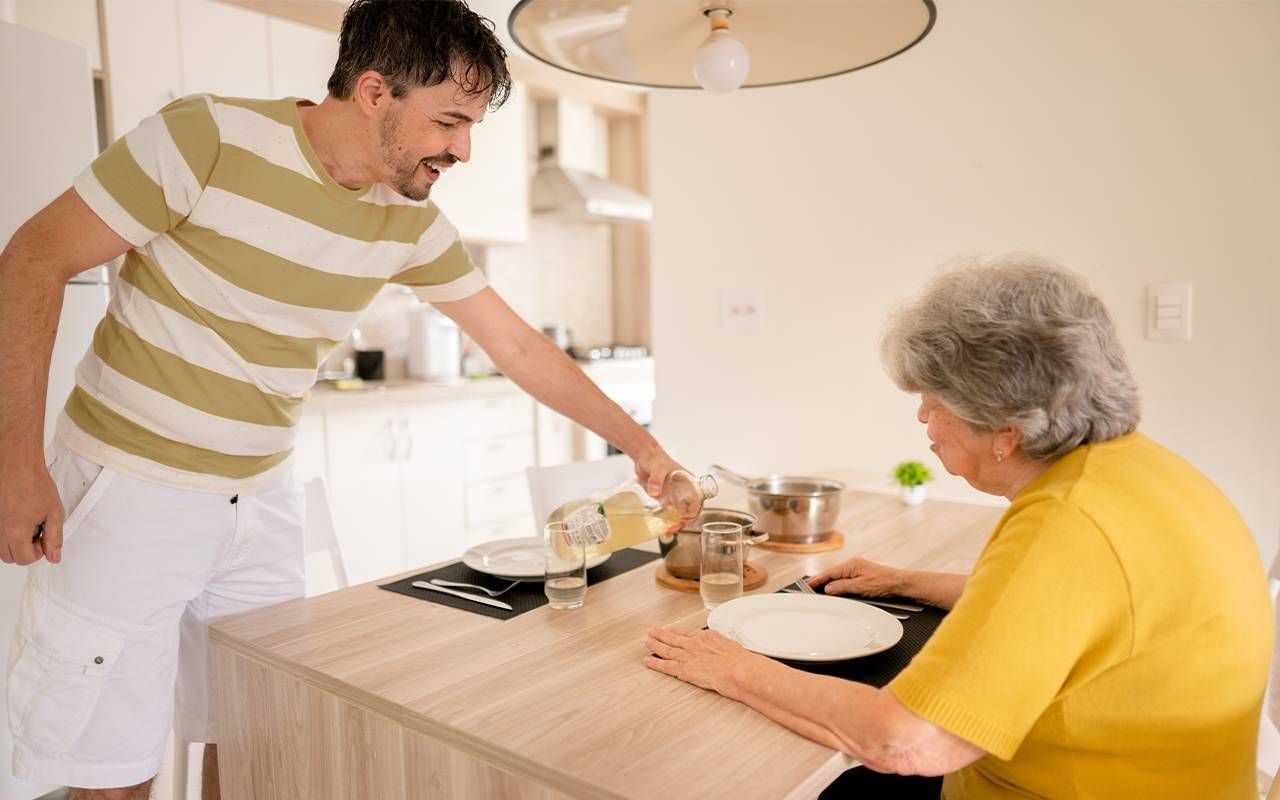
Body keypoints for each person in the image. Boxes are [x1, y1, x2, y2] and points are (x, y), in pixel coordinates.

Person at [0, 2, 682, 798]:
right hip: (128, 493)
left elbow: (519, 347)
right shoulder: (205, 138)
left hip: (260, 501)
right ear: (372, 93)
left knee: (260, 748)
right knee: (113, 773)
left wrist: (643, 446)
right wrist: (16, 466)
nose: (462, 150)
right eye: (450, 122)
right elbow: (29, 262)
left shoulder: (409, 222)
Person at [644, 255, 1271, 798]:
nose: (922, 416)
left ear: (1006, 429)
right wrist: (910, 581)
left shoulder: (1066, 522)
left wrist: (731, 668)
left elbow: (907, 742)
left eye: (935, 402)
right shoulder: (1140, 471)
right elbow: (1076, 619)